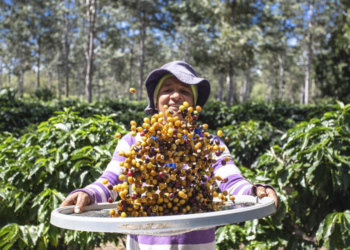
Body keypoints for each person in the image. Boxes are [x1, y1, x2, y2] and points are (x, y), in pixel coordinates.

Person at [60, 61, 278, 250]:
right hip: (146, 241)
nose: (175, 96)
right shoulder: (133, 140)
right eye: (167, 90)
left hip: (197, 242)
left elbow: (231, 180)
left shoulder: (209, 143)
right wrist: (87, 194)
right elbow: (111, 181)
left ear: (193, 104)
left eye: (184, 91)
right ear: (156, 102)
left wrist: (254, 190)